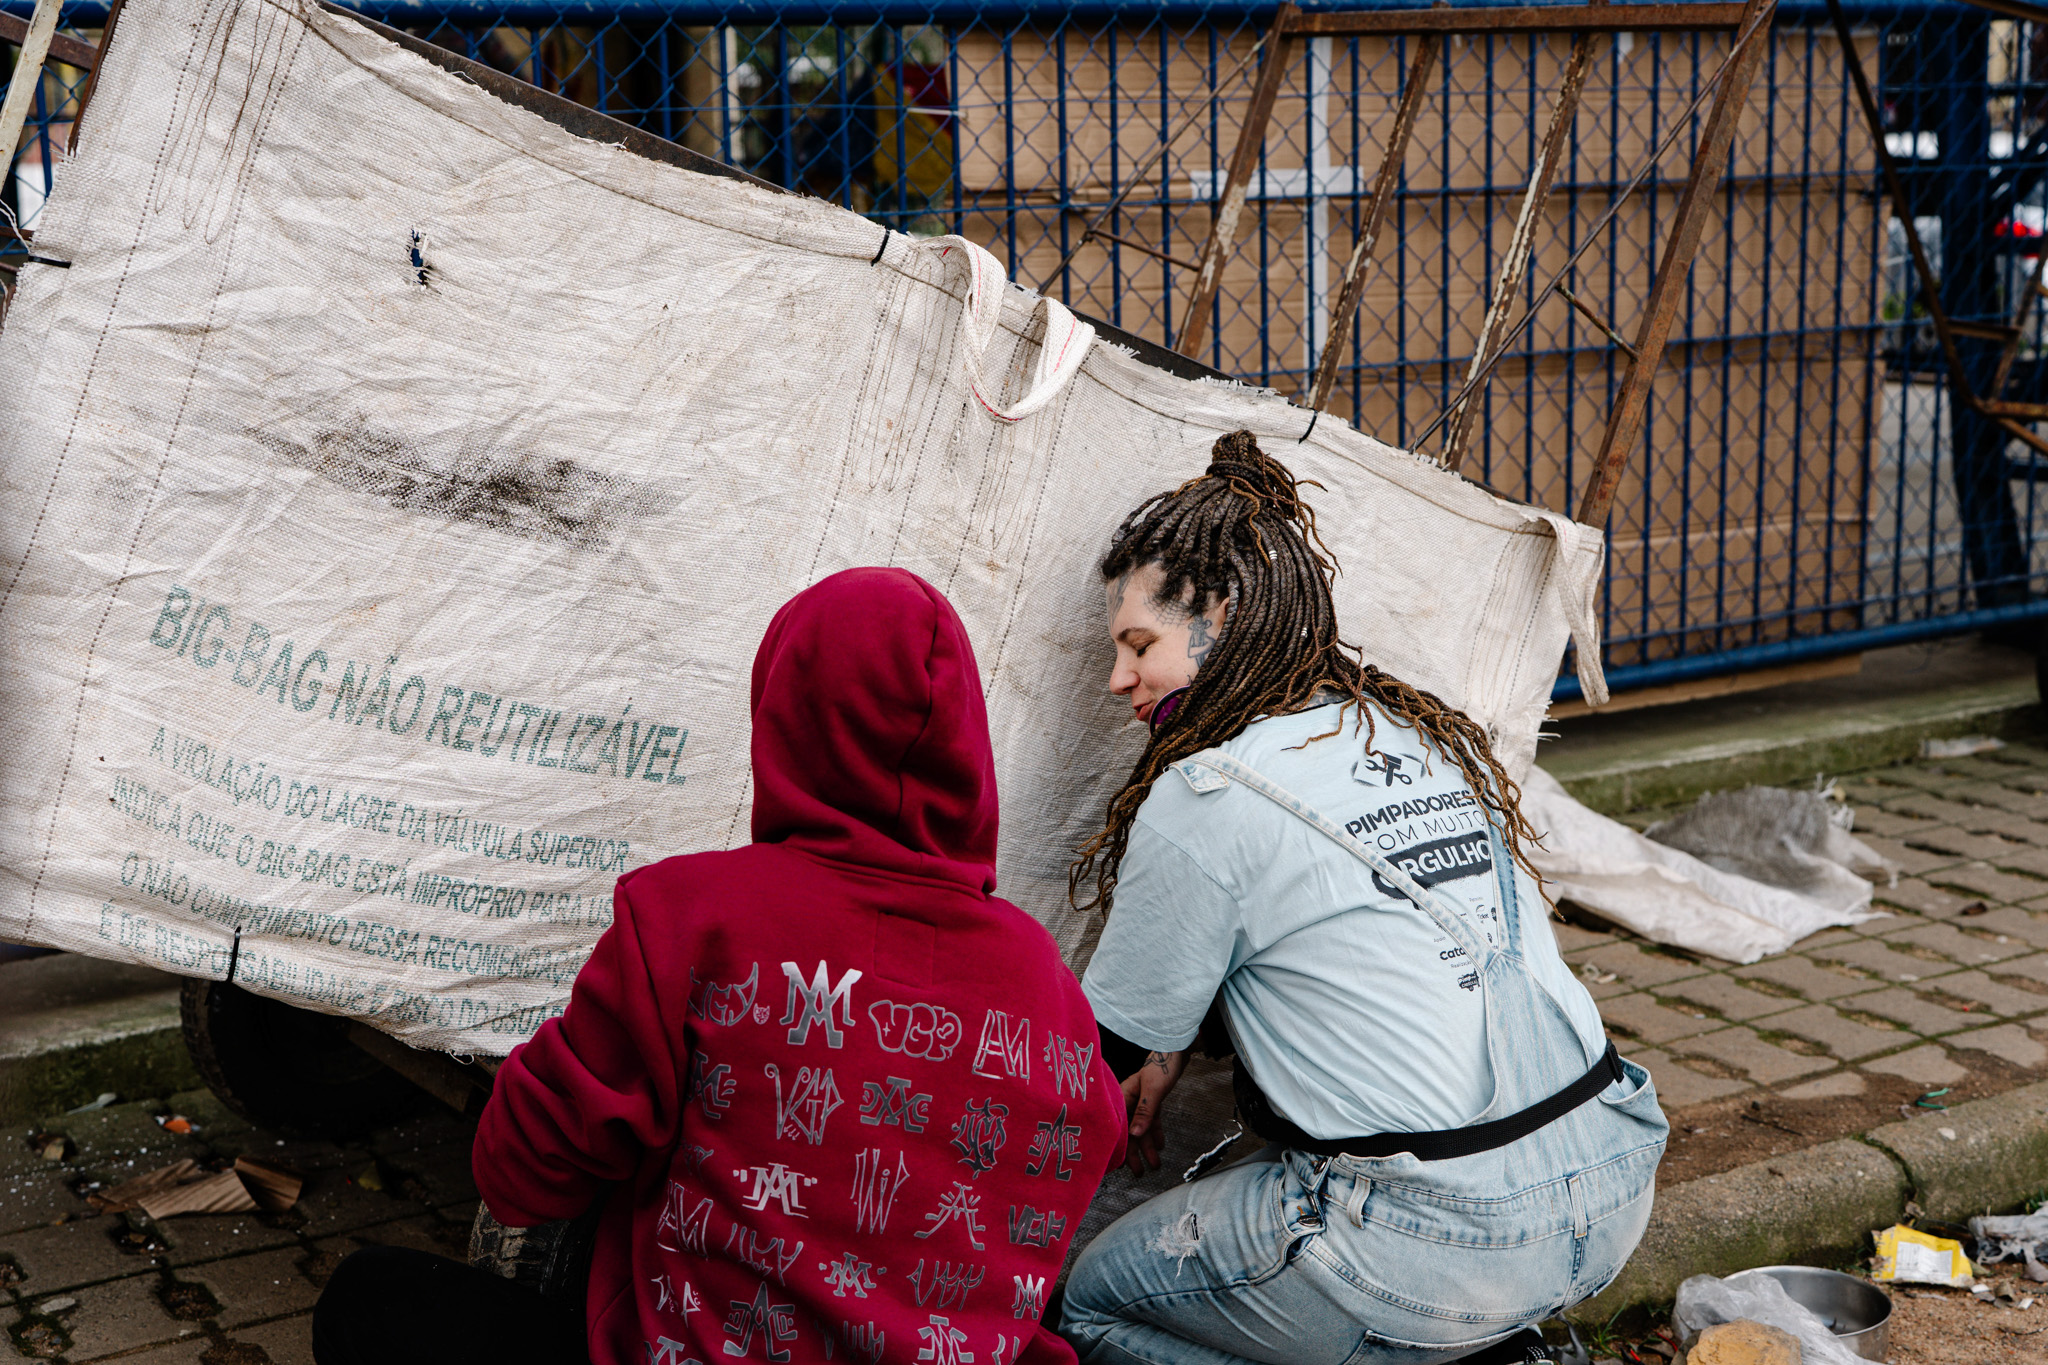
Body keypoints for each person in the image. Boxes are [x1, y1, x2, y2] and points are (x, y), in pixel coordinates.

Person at [313, 567, 1127, 1365]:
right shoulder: (1047, 983)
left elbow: (522, 1174)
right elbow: (1093, 1144)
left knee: (369, 1297)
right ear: (968, 744)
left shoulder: (694, 916)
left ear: (786, 716)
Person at [1058, 432, 1669, 1365]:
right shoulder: (1411, 734)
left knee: (1092, 1305)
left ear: (1224, 617)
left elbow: (1101, 1054)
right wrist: (1174, 1036)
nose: (1118, 678)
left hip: (1439, 1238)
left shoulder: (1206, 792)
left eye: (1140, 645)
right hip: (1614, 1180)